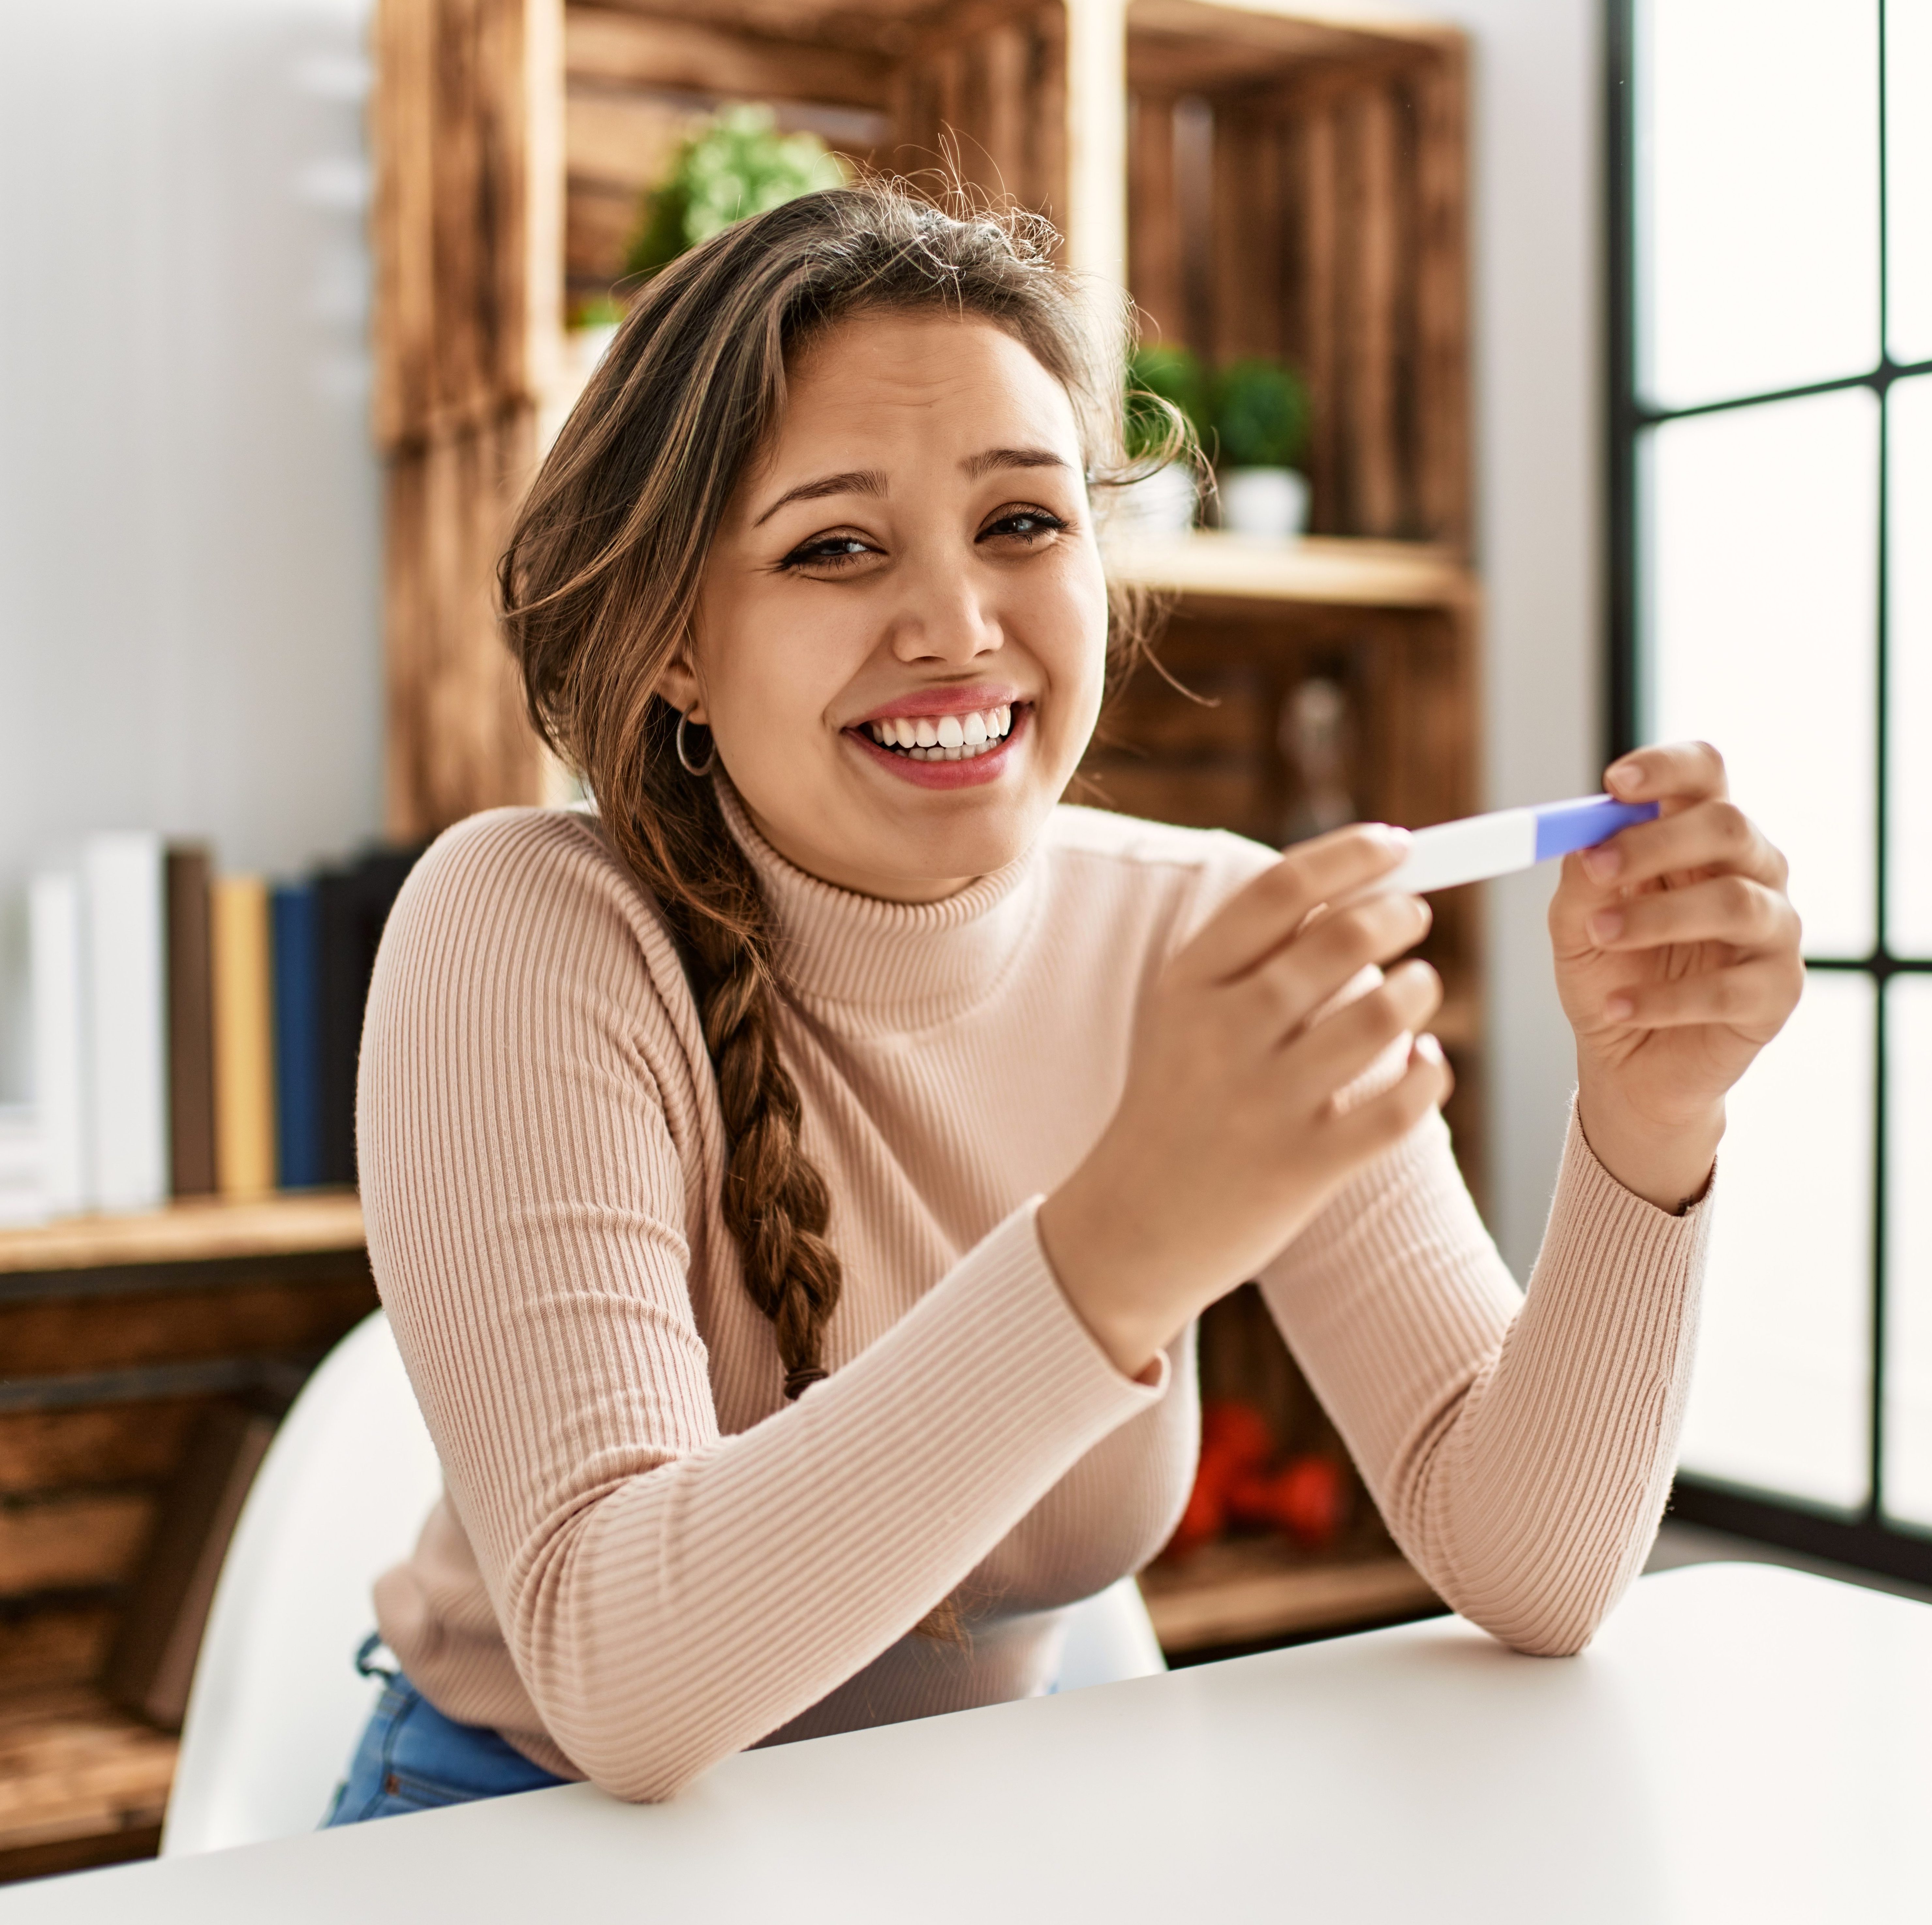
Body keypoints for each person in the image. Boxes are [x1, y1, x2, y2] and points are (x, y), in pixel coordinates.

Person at [326, 185, 1802, 1825]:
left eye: (1023, 522)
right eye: (834, 544)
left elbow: (1539, 1567)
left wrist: (1650, 1124)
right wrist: (1121, 1242)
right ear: (674, 638)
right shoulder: (525, 926)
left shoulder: (1210, 927)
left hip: (960, 1827)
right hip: (514, 1841)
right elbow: (623, 1681)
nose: (957, 626)